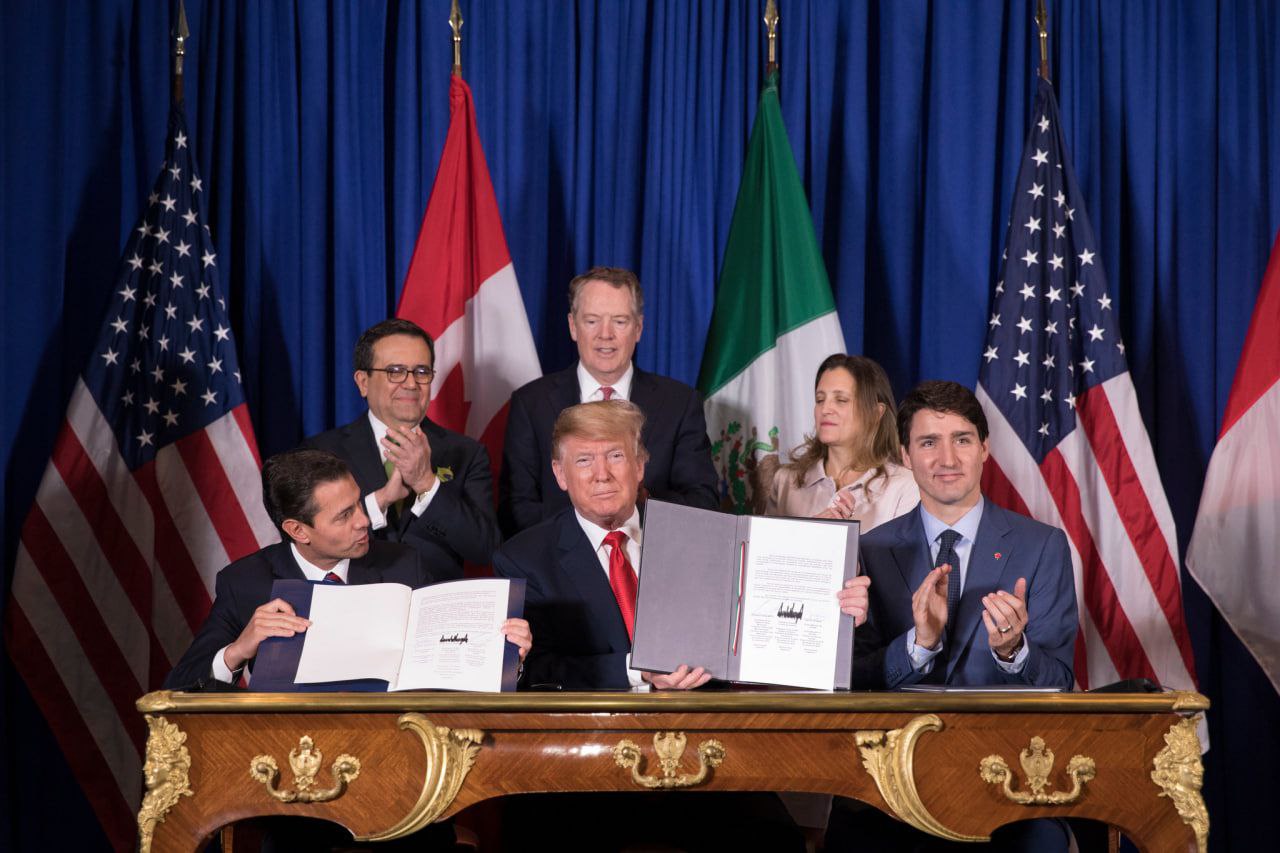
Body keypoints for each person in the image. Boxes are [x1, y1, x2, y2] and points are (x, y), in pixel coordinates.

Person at [493, 401, 823, 852]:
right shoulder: (524, 557)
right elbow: (537, 671)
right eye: (584, 460)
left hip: (707, 752)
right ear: (559, 474)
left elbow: (756, 627)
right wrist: (638, 670)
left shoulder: (706, 536)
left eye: (615, 456)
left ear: (640, 465)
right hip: (585, 761)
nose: (602, 474)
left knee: (775, 840)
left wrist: (828, 593)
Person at [834, 380, 1077, 853]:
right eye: (929, 443)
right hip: (893, 790)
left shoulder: (1042, 546)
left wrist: (1014, 651)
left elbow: (1061, 683)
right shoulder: (869, 550)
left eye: (962, 440)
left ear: (984, 448)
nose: (947, 459)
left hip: (1009, 785)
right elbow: (853, 680)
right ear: (906, 455)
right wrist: (918, 646)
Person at [164, 449, 530, 691]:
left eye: (357, 503)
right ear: (298, 531)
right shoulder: (246, 582)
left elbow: (447, 664)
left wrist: (505, 657)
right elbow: (177, 688)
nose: (364, 520)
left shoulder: (404, 565)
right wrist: (237, 651)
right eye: (344, 515)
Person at [499, 266, 719, 536]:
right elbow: (516, 509)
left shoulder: (680, 404)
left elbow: (702, 502)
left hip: (648, 551)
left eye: (620, 321)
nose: (605, 334)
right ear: (573, 326)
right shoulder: (531, 403)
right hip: (559, 557)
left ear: (638, 328)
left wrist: (636, 510)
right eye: (592, 321)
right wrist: (589, 537)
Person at [303, 319, 500, 576]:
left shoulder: (466, 453)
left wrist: (427, 484)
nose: (410, 384)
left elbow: (485, 549)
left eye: (421, 372)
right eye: (395, 371)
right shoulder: (320, 452)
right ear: (363, 382)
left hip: (436, 597)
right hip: (356, 596)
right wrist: (381, 500)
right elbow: (307, 540)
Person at [766, 353, 919, 528]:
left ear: (876, 413)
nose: (825, 409)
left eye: (841, 400)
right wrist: (811, 533)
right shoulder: (785, 481)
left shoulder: (905, 486)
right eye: (820, 399)